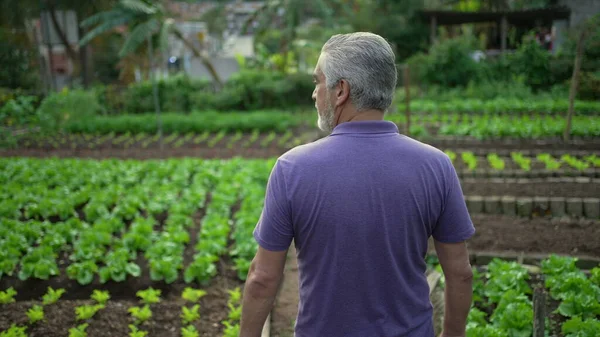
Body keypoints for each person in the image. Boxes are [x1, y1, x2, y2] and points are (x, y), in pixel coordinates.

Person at [240, 32, 475, 337]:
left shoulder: (293, 170)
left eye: (317, 81)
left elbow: (262, 278)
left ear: (341, 91)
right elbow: (460, 274)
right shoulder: (435, 165)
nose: (314, 93)